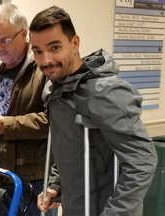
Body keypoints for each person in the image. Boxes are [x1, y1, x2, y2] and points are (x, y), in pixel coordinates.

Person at [29, 6, 158, 216]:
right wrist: (55, 184)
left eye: (54, 48)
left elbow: (142, 162)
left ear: (75, 43)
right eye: (38, 52)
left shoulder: (106, 92)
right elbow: (72, 147)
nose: (46, 60)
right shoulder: (56, 89)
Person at [0, 3, 57, 216]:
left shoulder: (42, 69)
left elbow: (53, 120)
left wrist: (6, 126)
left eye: (5, 40)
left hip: (31, 177)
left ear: (24, 34)